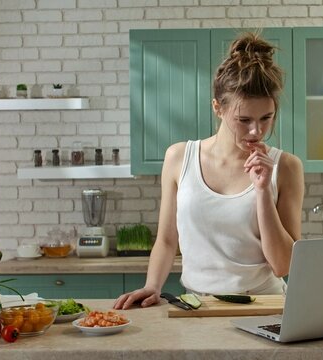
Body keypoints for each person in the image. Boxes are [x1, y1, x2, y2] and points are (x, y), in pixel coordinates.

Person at [114, 31, 304, 310]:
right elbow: (167, 240)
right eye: (244, 120)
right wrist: (152, 286)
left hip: (266, 304)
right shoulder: (179, 157)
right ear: (218, 108)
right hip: (197, 305)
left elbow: (283, 264)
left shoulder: (286, 167)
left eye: (267, 118)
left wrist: (262, 191)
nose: (257, 130)